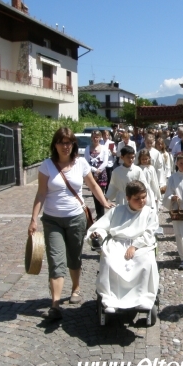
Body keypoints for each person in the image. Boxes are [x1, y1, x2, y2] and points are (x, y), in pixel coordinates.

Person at [29, 127, 113, 321]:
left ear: (73, 144)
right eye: (61, 142)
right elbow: (41, 193)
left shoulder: (81, 163)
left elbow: (92, 185)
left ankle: (76, 288)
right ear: (55, 145)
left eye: (68, 142)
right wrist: (33, 218)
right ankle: (55, 304)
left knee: (74, 256)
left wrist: (104, 202)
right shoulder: (47, 166)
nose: (65, 146)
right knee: (55, 259)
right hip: (52, 220)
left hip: (76, 217)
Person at [87, 181, 159, 313]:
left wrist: (135, 246)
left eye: (144, 197)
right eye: (137, 198)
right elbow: (102, 226)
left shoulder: (150, 213)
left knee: (146, 261)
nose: (142, 201)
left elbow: (149, 233)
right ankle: (111, 300)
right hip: (117, 243)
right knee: (109, 261)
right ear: (128, 198)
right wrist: (97, 234)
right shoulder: (117, 210)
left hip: (141, 244)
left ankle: (142, 298)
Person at [84, 130, 110, 219]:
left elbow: (106, 162)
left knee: (101, 194)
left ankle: (101, 215)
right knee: (94, 195)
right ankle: (99, 214)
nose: (95, 139)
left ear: (100, 138)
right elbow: (86, 162)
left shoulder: (104, 148)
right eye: (94, 137)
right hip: (92, 174)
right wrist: (94, 170)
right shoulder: (88, 148)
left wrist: (99, 170)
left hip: (101, 174)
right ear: (91, 138)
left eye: (97, 137)